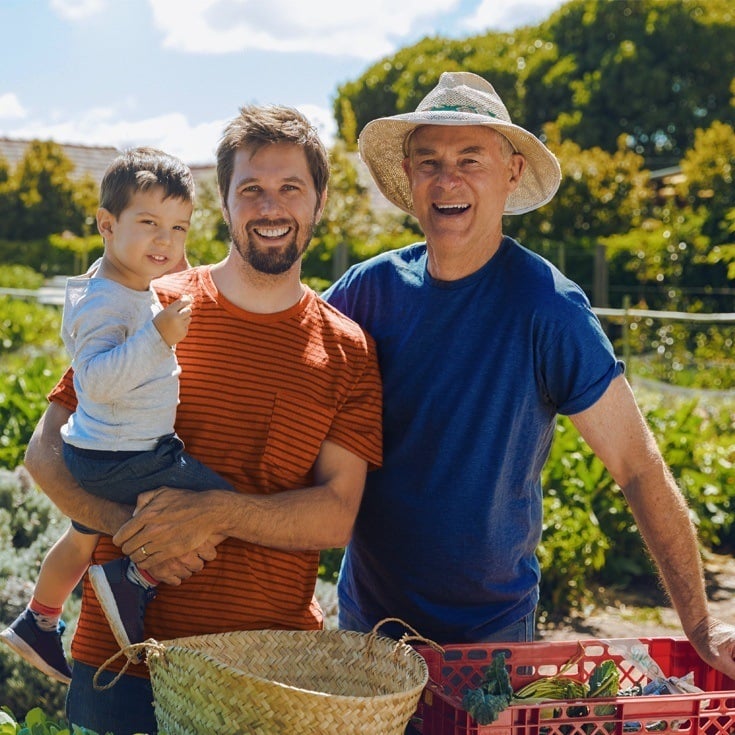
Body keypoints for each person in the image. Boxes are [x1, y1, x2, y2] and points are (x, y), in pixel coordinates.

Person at [323, 71, 735, 678]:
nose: (448, 178)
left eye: (471, 158)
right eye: (429, 160)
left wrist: (701, 625)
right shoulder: (366, 292)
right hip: (368, 630)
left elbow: (638, 465)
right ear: (408, 176)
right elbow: (284, 394)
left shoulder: (546, 308)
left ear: (512, 173)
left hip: (491, 643)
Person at [21, 105, 383, 735]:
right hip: (123, 672)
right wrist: (131, 526)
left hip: (268, 677)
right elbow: (45, 452)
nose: (271, 207)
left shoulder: (347, 349)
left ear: (319, 202)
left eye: (290, 188)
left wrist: (215, 513)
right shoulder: (151, 302)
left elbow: (337, 513)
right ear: (224, 201)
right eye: (252, 189)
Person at [0, 148, 241, 685]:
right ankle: (134, 577)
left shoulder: (115, 282)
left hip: (100, 451)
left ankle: (38, 619)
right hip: (127, 455)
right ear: (107, 225)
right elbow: (96, 381)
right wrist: (158, 338)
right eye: (149, 224)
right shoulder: (108, 303)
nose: (166, 242)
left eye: (178, 228)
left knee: (81, 537)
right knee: (219, 507)